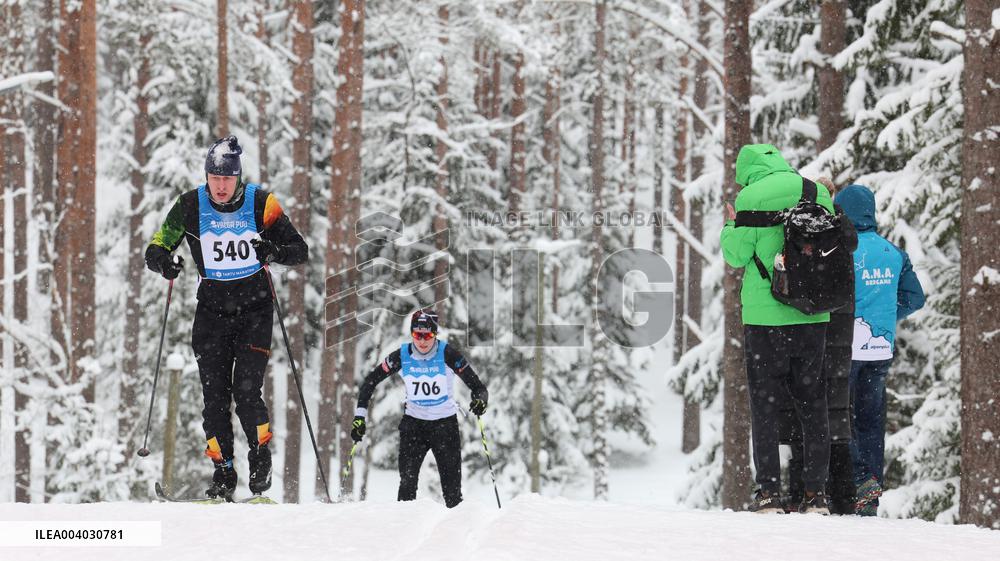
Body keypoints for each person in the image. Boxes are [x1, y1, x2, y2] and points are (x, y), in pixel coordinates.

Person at [145, 135, 308, 499]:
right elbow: (157, 244)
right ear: (207, 176)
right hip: (212, 314)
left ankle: (260, 454)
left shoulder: (261, 203)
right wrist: (162, 262)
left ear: (238, 178)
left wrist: (272, 250)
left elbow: (300, 250)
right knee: (214, 398)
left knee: (247, 392)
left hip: (254, 310)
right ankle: (223, 472)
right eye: (214, 178)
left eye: (227, 179)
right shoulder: (189, 205)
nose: (220, 187)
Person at [720, 144, 836, 514]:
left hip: (765, 318)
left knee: (765, 406)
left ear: (748, 172)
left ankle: (769, 493)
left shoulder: (749, 197)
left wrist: (729, 222)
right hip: (811, 316)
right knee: (813, 403)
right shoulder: (814, 191)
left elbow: (735, 255)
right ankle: (815, 494)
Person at [834, 184, 925, 516]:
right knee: (871, 421)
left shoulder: (842, 250)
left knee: (838, 416)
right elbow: (916, 298)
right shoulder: (893, 253)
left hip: (846, 346)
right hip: (880, 348)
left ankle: (858, 478)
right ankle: (869, 495)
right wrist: (888, 314)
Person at [349, 309, 489, 508]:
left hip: (444, 426)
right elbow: (370, 382)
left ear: (435, 334)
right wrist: (360, 416)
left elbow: (478, 387)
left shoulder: (447, 353)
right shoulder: (402, 355)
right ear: (412, 334)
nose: (422, 341)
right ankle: (402, 530)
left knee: (452, 492)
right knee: (406, 486)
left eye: (428, 335)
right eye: (417, 335)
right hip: (414, 426)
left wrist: (480, 401)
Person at [781, 177, 858, 514]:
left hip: (812, 324)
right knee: (837, 408)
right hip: (841, 321)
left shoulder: (803, 226)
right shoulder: (840, 228)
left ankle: (802, 491)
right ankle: (841, 496)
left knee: (806, 408)